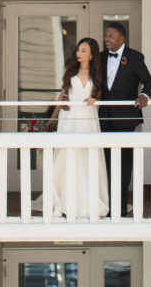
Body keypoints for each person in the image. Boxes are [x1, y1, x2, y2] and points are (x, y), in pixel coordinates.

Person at [46, 37, 109, 221]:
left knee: (87, 156)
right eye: (78, 50)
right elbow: (63, 94)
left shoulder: (96, 73)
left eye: (83, 51)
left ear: (91, 54)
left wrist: (95, 100)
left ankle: (88, 201)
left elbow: (100, 94)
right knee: (65, 155)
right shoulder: (70, 70)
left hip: (88, 118)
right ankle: (63, 200)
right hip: (69, 118)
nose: (79, 54)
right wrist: (52, 118)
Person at [99, 21, 151, 217]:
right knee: (105, 162)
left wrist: (144, 96)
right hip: (104, 118)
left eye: (111, 36)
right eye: (106, 36)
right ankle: (105, 204)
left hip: (126, 118)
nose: (106, 40)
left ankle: (121, 206)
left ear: (122, 38)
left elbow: (148, 81)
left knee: (123, 163)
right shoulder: (100, 57)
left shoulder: (135, 57)